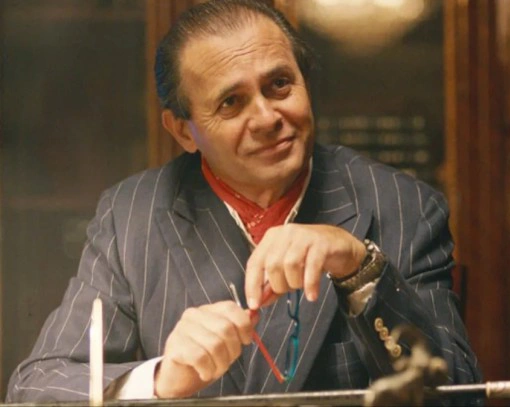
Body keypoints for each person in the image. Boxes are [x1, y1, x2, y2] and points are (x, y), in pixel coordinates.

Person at [6, 0, 481, 402]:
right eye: (230, 102)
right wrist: (162, 378)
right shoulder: (130, 215)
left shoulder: (403, 205)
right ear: (182, 131)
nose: (267, 117)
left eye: (280, 84)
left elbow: (460, 394)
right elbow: (37, 386)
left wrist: (359, 268)